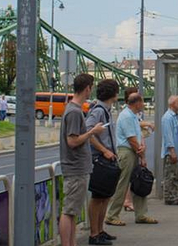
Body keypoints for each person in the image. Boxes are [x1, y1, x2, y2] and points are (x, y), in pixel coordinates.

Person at [59, 74, 105, 246]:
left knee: (73, 211)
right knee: (69, 211)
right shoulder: (74, 112)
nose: (90, 91)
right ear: (87, 88)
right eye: (90, 88)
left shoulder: (73, 110)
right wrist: (92, 132)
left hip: (78, 167)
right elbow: (72, 141)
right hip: (75, 167)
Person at [105, 93, 157, 226]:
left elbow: (137, 135)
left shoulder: (133, 115)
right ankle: (112, 215)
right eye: (142, 102)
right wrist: (142, 155)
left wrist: (141, 149)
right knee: (123, 184)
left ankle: (141, 214)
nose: (144, 105)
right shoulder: (127, 116)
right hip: (127, 152)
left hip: (133, 151)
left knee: (139, 182)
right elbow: (131, 139)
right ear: (137, 103)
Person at [85, 79, 120, 245]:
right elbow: (88, 132)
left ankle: (100, 230)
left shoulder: (106, 110)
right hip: (100, 160)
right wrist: (104, 150)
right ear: (112, 93)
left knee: (105, 196)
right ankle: (94, 234)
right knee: (98, 197)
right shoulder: (98, 110)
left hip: (109, 158)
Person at [161, 95, 178, 205]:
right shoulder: (167, 117)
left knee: (176, 174)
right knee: (170, 174)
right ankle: (169, 196)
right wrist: (172, 151)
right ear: (172, 104)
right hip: (172, 152)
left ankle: (174, 195)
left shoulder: (176, 116)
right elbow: (168, 136)